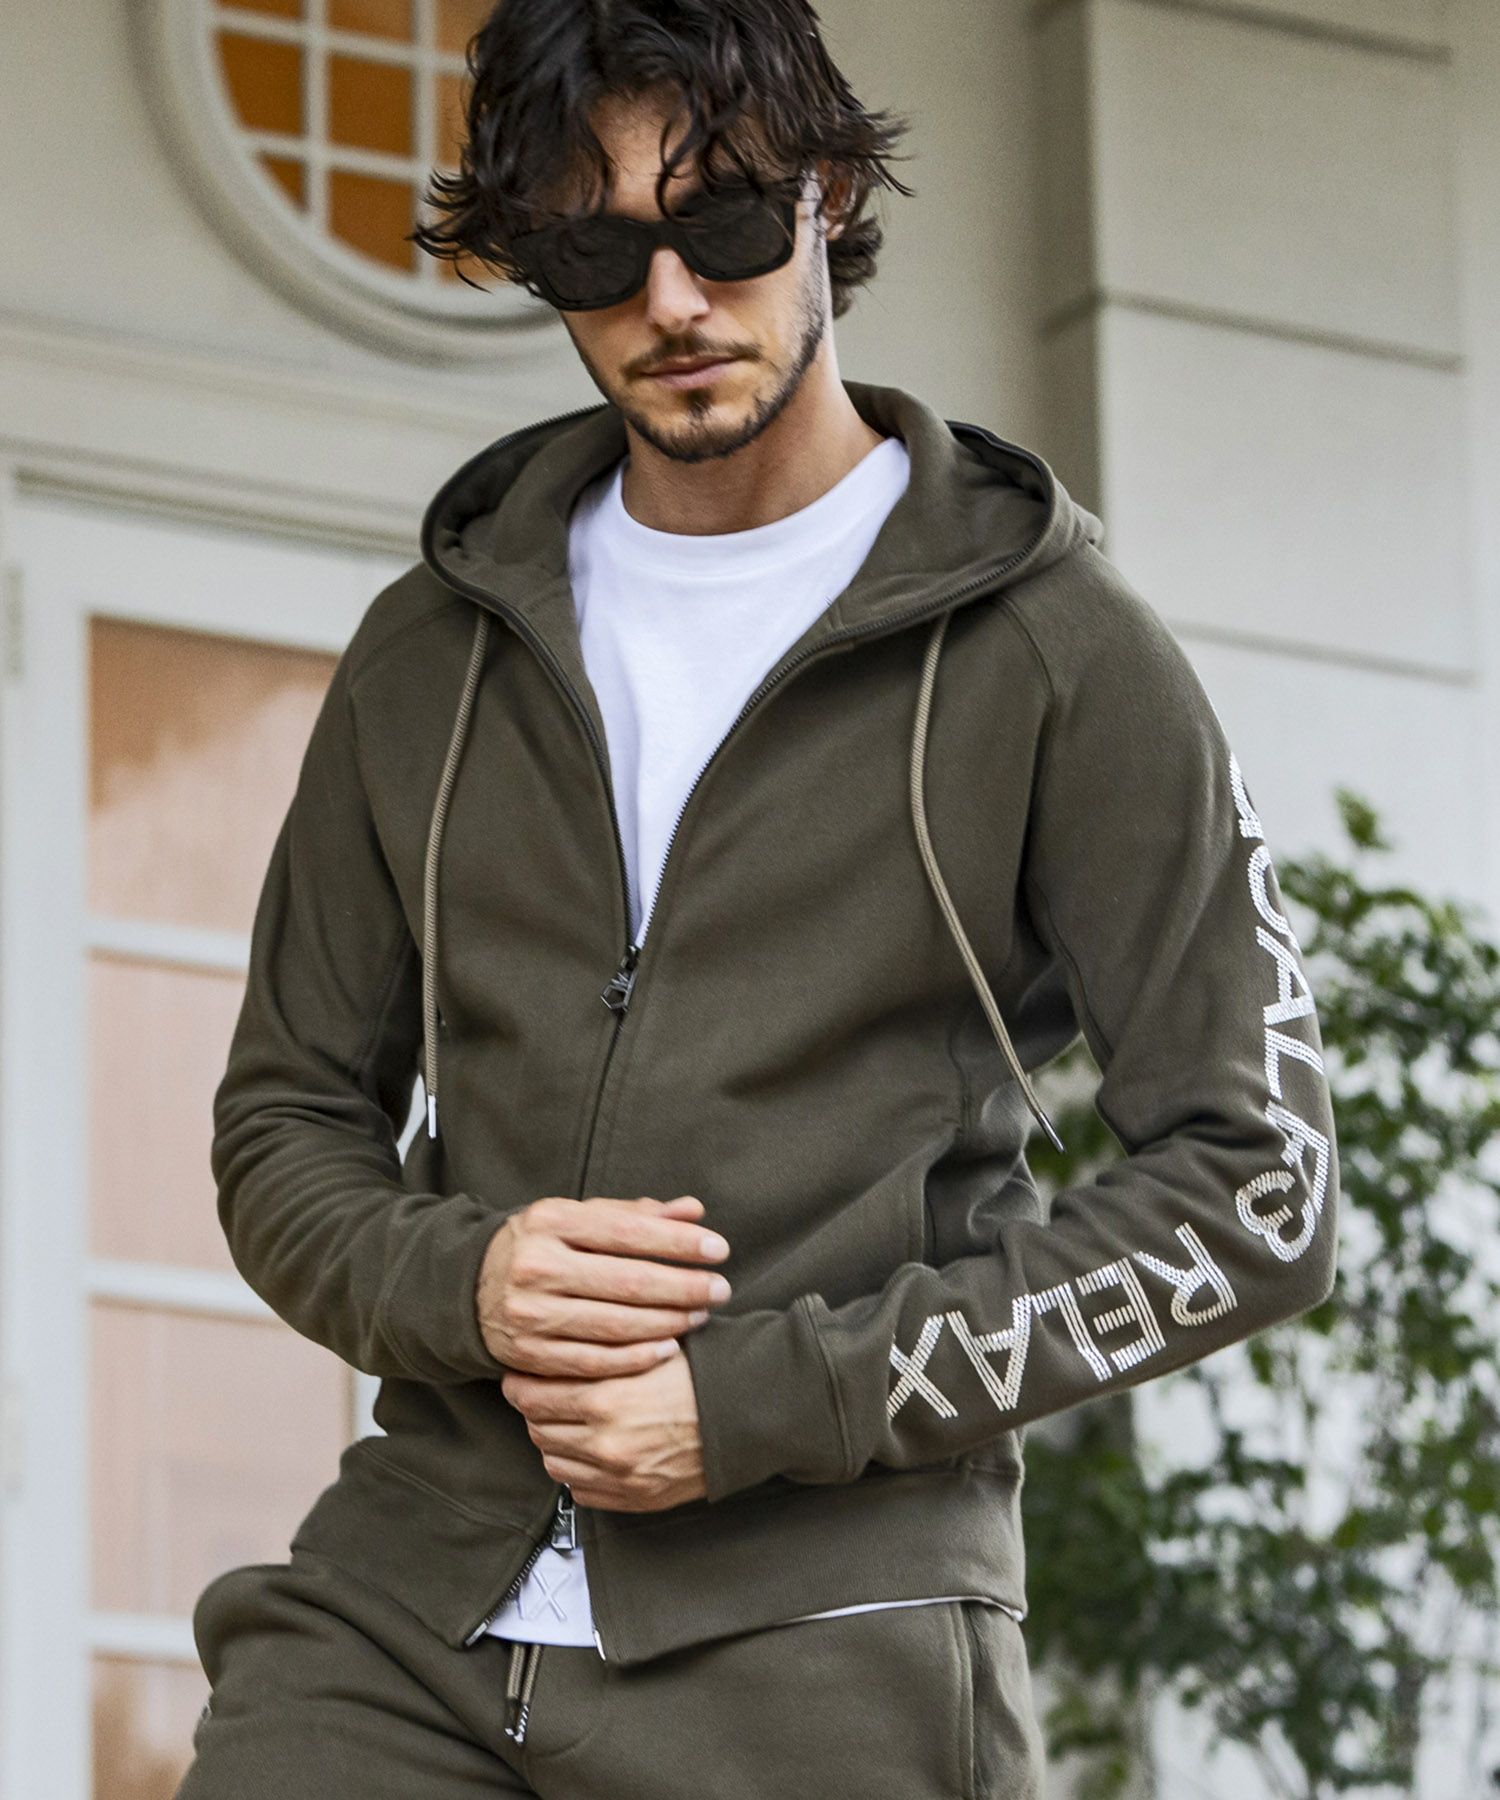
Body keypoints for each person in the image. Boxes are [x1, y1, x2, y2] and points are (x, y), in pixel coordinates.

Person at [177, 1, 1341, 1795]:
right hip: (406, 1618)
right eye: (595, 252)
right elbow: (284, 1125)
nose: (671, 301)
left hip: (827, 1652)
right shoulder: (435, 652)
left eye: (721, 224)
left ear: (827, 197)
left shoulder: (1052, 653)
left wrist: (765, 1403)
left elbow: (1259, 1186)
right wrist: (469, 1280)